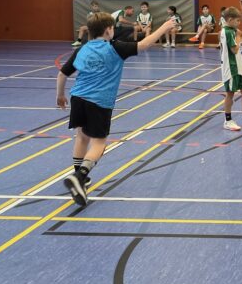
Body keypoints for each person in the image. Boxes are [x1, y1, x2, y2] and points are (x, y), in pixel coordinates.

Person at [56, 13, 176, 206]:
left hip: (77, 97)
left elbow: (62, 74)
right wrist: (164, 27)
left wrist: (60, 96)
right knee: (99, 143)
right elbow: (144, 44)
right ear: (108, 30)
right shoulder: (115, 47)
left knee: (81, 137)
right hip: (99, 102)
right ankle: (79, 176)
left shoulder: (82, 49)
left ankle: (79, 176)